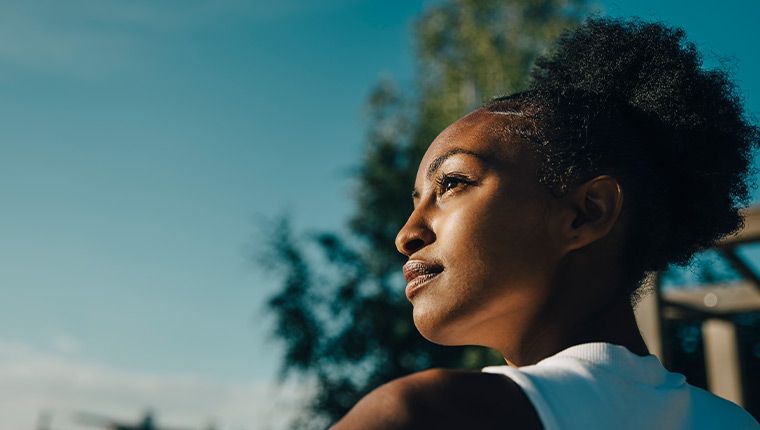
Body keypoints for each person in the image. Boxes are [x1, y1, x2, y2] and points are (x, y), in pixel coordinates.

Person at [332, 17, 760, 429]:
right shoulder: (734, 422)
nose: (406, 235)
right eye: (416, 201)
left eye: (452, 183)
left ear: (586, 213)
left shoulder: (421, 416)